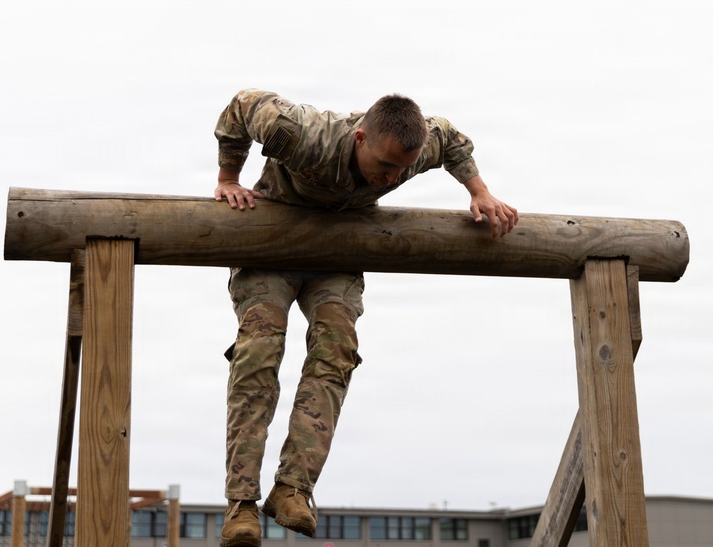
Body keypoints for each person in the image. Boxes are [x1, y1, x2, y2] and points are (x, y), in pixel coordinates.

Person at [212, 88, 519, 546]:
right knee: (260, 349)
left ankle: (293, 488)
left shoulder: (415, 149)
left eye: (401, 169)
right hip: (270, 240)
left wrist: (480, 192)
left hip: (337, 252)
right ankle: (241, 504)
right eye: (384, 166)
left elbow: (453, 138)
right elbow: (241, 105)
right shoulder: (299, 133)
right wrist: (228, 177)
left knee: (336, 350)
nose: (391, 178)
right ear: (359, 139)